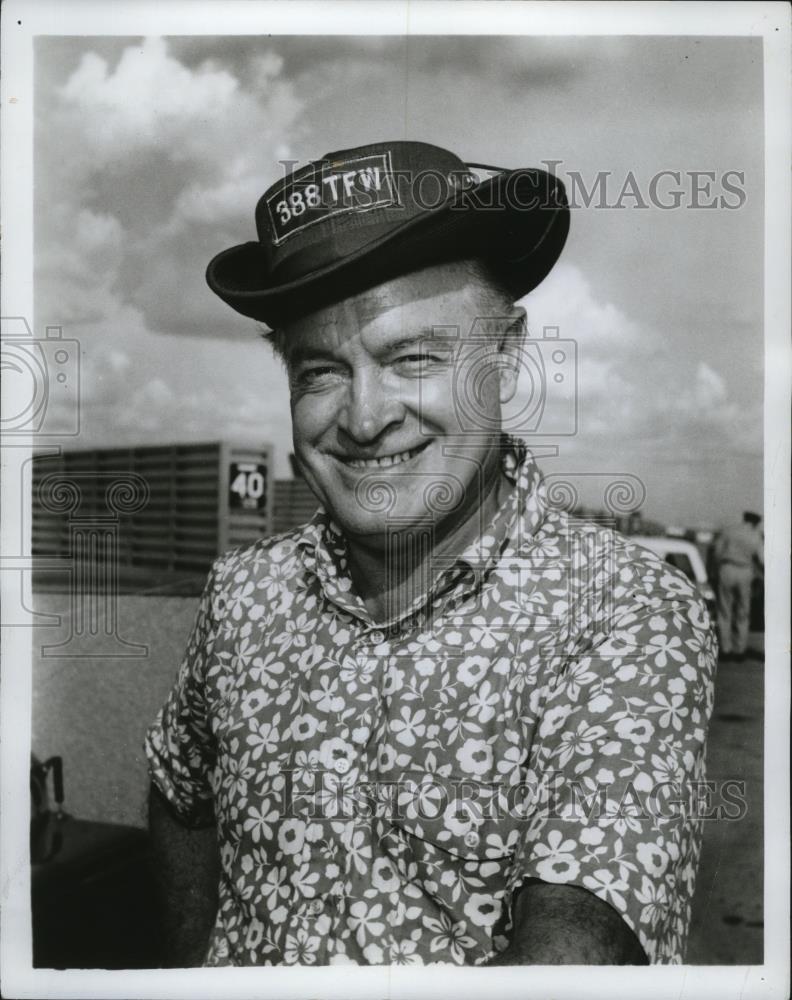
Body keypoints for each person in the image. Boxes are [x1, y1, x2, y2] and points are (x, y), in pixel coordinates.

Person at [145, 141, 717, 967]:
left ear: (506, 357)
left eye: (413, 358)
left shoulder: (625, 611)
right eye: (320, 371)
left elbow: (580, 944)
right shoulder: (244, 593)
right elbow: (179, 788)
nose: (365, 415)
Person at [712, 511, 764, 661]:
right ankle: (739, 650)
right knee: (743, 611)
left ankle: (726, 648)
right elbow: (761, 559)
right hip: (745, 571)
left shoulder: (729, 530)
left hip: (727, 568)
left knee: (725, 610)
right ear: (755, 522)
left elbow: (717, 552)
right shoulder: (755, 535)